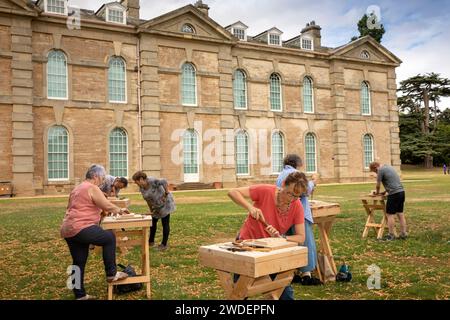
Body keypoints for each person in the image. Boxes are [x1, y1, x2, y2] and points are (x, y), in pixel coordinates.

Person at [228, 171, 307, 300]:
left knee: (283, 292)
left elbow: (301, 237)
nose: (291, 199)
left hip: (272, 250)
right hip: (247, 245)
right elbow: (232, 192)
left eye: (296, 196)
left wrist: (281, 238)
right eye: (289, 193)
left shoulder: (297, 206)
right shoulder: (266, 191)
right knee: (240, 292)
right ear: (283, 185)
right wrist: (250, 207)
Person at [60, 164, 130, 300]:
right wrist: (120, 210)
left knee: (78, 261)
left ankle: (80, 295)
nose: (103, 180)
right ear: (96, 176)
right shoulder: (92, 187)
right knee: (109, 237)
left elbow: (76, 206)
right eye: (102, 177)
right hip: (81, 227)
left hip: (68, 229)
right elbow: (106, 205)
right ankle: (112, 274)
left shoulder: (78, 188)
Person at [276, 154, 322, 286]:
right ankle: (306, 274)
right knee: (306, 241)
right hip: (298, 212)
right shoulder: (295, 174)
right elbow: (304, 190)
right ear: (298, 163)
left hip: (285, 213)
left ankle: (291, 272)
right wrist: (313, 181)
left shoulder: (281, 174)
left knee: (290, 241)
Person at [132, 171, 176, 251]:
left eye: (136, 181)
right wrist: (151, 210)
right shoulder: (142, 188)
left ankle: (164, 244)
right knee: (153, 222)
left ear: (141, 179)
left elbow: (164, 181)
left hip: (165, 203)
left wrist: (166, 193)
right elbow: (147, 200)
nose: (136, 183)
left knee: (165, 222)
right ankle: (151, 241)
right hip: (156, 206)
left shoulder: (152, 181)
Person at [369, 162, 408, 241]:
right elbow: (392, 182)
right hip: (401, 192)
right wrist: (383, 192)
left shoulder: (380, 170)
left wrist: (376, 193)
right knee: (400, 213)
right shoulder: (389, 167)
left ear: (376, 167)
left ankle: (391, 235)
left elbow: (378, 184)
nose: (375, 173)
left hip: (394, 194)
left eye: (374, 171)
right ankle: (403, 233)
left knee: (389, 214)